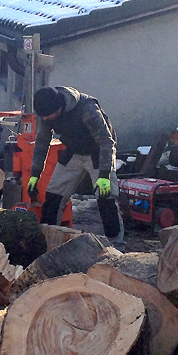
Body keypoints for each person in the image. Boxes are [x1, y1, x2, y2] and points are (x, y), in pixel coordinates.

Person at [28, 86, 124, 244]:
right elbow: (42, 142)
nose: (45, 119)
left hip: (98, 152)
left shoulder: (87, 108)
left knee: (106, 197)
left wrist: (105, 174)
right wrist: (35, 174)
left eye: (47, 116)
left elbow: (107, 142)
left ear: (58, 107)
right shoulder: (46, 114)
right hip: (73, 151)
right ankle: (46, 240)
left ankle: (116, 245)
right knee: (53, 195)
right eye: (43, 116)